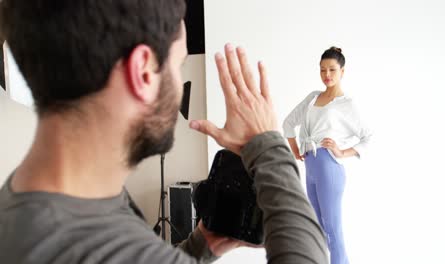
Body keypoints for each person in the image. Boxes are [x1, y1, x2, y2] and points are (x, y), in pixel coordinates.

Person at [0, 1, 328, 263]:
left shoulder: (33, 204)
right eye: (177, 63)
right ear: (143, 71)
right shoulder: (98, 245)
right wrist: (269, 145)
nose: (178, 82)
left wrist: (202, 246)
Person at [283, 47, 372, 264]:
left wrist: (342, 152)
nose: (327, 75)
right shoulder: (313, 98)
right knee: (318, 232)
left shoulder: (346, 104)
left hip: (328, 167)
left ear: (343, 71)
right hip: (311, 167)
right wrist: (296, 150)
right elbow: (287, 123)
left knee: (333, 232)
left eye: (332, 69)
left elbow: (368, 137)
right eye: (322, 70)